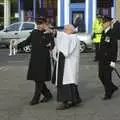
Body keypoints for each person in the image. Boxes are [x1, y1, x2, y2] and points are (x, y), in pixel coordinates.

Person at [19, 17, 55, 105]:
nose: (39, 25)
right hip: (35, 60)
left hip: (43, 60)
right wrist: (17, 45)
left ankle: (36, 98)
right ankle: (48, 94)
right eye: (38, 24)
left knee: (39, 79)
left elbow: (52, 45)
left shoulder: (50, 34)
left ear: (45, 24)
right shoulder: (34, 33)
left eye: (41, 24)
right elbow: (27, 42)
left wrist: (48, 31)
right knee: (37, 79)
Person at [52, 24, 82, 110]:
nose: (64, 31)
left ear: (70, 30)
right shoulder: (70, 37)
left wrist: (57, 34)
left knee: (65, 82)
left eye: (65, 29)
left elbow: (65, 50)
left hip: (68, 65)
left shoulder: (73, 38)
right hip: (67, 64)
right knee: (70, 83)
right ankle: (75, 99)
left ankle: (64, 102)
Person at [98, 16, 118, 100]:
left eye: (105, 22)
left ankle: (108, 94)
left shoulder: (112, 33)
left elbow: (114, 48)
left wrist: (113, 61)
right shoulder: (104, 32)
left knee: (107, 77)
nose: (103, 24)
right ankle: (112, 87)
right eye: (103, 22)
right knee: (100, 75)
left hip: (109, 60)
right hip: (102, 59)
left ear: (109, 23)